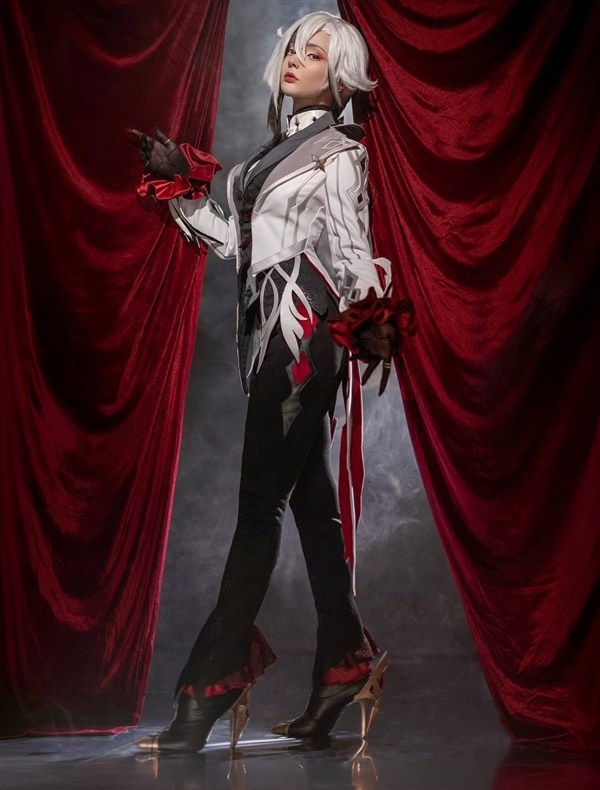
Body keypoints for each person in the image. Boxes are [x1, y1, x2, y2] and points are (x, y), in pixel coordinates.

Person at [130, 11, 413, 753]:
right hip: (268, 340)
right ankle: (345, 662)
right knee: (311, 507)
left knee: (257, 511)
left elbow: (352, 256)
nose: (296, 58)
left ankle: (209, 687)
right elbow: (236, 244)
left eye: (315, 53)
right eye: (293, 48)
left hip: (303, 341)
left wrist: (371, 322)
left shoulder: (340, 154)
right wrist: (178, 187)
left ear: (339, 77)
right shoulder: (270, 154)